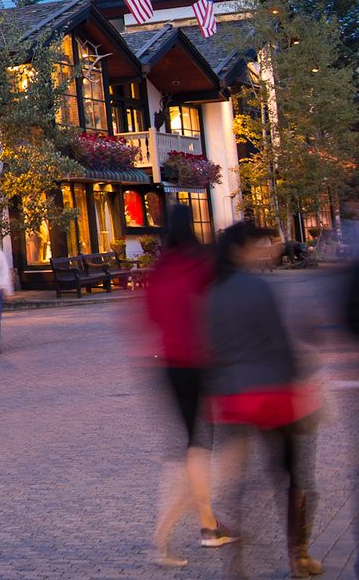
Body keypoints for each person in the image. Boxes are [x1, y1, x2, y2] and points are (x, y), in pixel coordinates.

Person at [207, 222, 323, 578]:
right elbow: (279, 343)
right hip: (272, 393)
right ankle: (299, 555)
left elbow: (211, 349)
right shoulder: (257, 287)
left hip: (232, 396)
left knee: (238, 481)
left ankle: (237, 559)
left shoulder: (212, 293)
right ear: (241, 249)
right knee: (293, 474)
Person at [143, 205, 233, 567]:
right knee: (200, 449)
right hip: (200, 362)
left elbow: (151, 315)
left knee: (191, 444)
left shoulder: (159, 272)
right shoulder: (202, 266)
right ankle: (187, 531)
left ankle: (209, 522)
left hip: (168, 366)